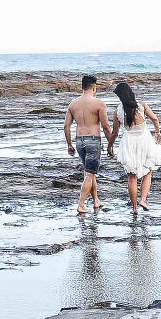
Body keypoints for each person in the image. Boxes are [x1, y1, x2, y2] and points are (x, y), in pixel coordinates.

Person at [64, 74, 115, 215]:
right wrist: (111, 145)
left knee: (89, 173)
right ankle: (81, 204)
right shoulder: (99, 103)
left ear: (82, 87)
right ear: (94, 87)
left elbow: (66, 127)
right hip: (93, 141)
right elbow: (106, 127)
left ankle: (96, 200)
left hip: (79, 140)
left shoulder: (72, 104)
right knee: (90, 174)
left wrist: (69, 144)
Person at [111, 80, 161, 213]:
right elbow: (155, 119)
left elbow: (115, 133)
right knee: (148, 170)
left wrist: (110, 146)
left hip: (129, 143)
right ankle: (143, 200)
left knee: (132, 177)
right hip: (144, 140)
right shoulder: (141, 106)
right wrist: (157, 132)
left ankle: (134, 208)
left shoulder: (118, 111)